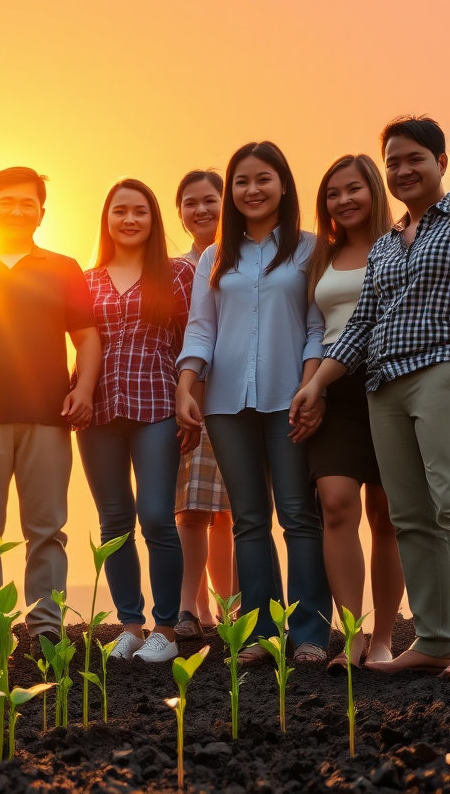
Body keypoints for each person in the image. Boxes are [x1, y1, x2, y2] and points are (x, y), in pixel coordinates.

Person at [292, 117, 450, 675]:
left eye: (415, 160)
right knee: (408, 516)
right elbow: (360, 325)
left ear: (440, 163)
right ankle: (432, 641)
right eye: (395, 163)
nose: (403, 171)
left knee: (443, 504)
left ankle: (421, 636)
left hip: (439, 370)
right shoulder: (385, 247)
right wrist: (314, 383)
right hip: (380, 383)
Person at [176, 140, 331, 665]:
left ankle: (310, 632)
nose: (252, 189)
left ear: (283, 185)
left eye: (263, 179)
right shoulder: (216, 258)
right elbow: (201, 331)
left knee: (298, 515)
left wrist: (310, 388)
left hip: (290, 400)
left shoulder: (310, 248)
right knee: (248, 519)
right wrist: (186, 386)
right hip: (224, 404)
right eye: (242, 181)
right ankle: (262, 634)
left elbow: (316, 328)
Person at [0, 166, 100, 665]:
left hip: (48, 415)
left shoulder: (63, 267)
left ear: (42, 211)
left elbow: (87, 337)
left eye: (27, 203)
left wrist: (85, 389)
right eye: (5, 202)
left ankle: (46, 631)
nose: (16, 210)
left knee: (47, 528)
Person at [76, 179, 194, 663]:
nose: (129, 219)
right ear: (106, 219)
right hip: (98, 408)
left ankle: (165, 630)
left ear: (154, 219)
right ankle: (130, 625)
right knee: (114, 523)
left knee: (157, 517)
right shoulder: (85, 280)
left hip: (158, 405)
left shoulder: (178, 274)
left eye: (140, 211)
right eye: (120, 211)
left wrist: (192, 399)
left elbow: (194, 342)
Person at [299, 154, 404, 669]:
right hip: (333, 389)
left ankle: (384, 637)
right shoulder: (322, 256)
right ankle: (353, 634)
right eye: (333, 194)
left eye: (353, 189)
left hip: (391, 383)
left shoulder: (402, 243)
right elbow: (314, 330)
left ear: (374, 191)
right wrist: (311, 385)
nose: (343, 200)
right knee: (336, 504)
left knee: (387, 515)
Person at [172, 171, 236, 640]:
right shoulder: (176, 269)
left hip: (235, 395)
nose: (201, 210)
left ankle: (226, 609)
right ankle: (190, 609)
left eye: (210, 200)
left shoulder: (243, 262)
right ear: (179, 213)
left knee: (230, 510)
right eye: (190, 203)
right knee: (191, 505)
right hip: (189, 396)